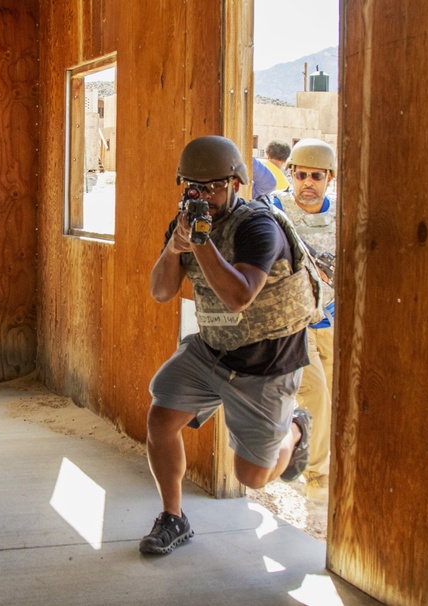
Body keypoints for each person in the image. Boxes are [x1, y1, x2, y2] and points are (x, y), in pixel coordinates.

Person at [140, 135, 320, 555]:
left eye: (214, 186)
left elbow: (239, 296)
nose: (204, 196)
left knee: (251, 477)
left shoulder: (259, 226)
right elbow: (162, 292)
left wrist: (200, 245)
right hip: (213, 349)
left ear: (237, 183)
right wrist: (175, 246)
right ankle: (173, 517)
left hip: (267, 361)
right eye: (194, 187)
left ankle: (294, 430)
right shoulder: (185, 222)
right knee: (160, 419)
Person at [269, 138, 337, 492]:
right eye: (300, 175)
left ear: (329, 178)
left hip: (331, 317)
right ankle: (317, 475)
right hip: (297, 322)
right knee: (314, 392)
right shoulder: (274, 211)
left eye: (316, 176)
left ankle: (312, 457)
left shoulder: (341, 213)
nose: (307, 183)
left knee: (333, 396)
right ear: (290, 174)